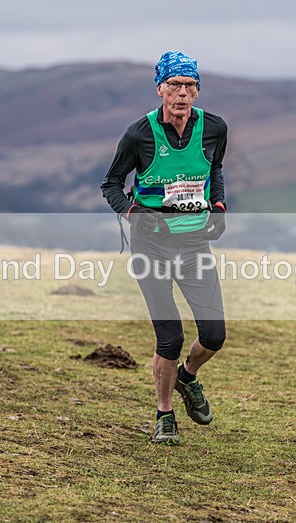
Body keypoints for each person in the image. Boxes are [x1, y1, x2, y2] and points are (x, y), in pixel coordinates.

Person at [101, 51, 228, 445]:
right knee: (169, 336)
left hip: (193, 243)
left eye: (189, 86)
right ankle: (164, 415)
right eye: (174, 85)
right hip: (151, 245)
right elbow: (111, 184)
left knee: (214, 334)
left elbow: (215, 169)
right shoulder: (139, 134)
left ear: (197, 91)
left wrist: (219, 206)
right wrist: (133, 212)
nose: (182, 93)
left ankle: (187, 378)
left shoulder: (215, 128)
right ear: (160, 89)